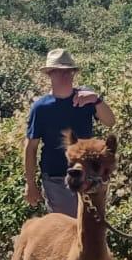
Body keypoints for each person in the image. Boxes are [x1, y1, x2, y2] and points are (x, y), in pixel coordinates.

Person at [24, 48, 115, 217]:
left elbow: (110, 121)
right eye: (58, 72)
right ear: (49, 74)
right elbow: (31, 148)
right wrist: (30, 184)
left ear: (74, 73)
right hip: (56, 178)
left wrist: (96, 100)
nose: (65, 76)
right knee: (67, 227)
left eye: (68, 72)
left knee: (90, 225)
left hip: (89, 176)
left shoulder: (86, 98)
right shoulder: (41, 107)